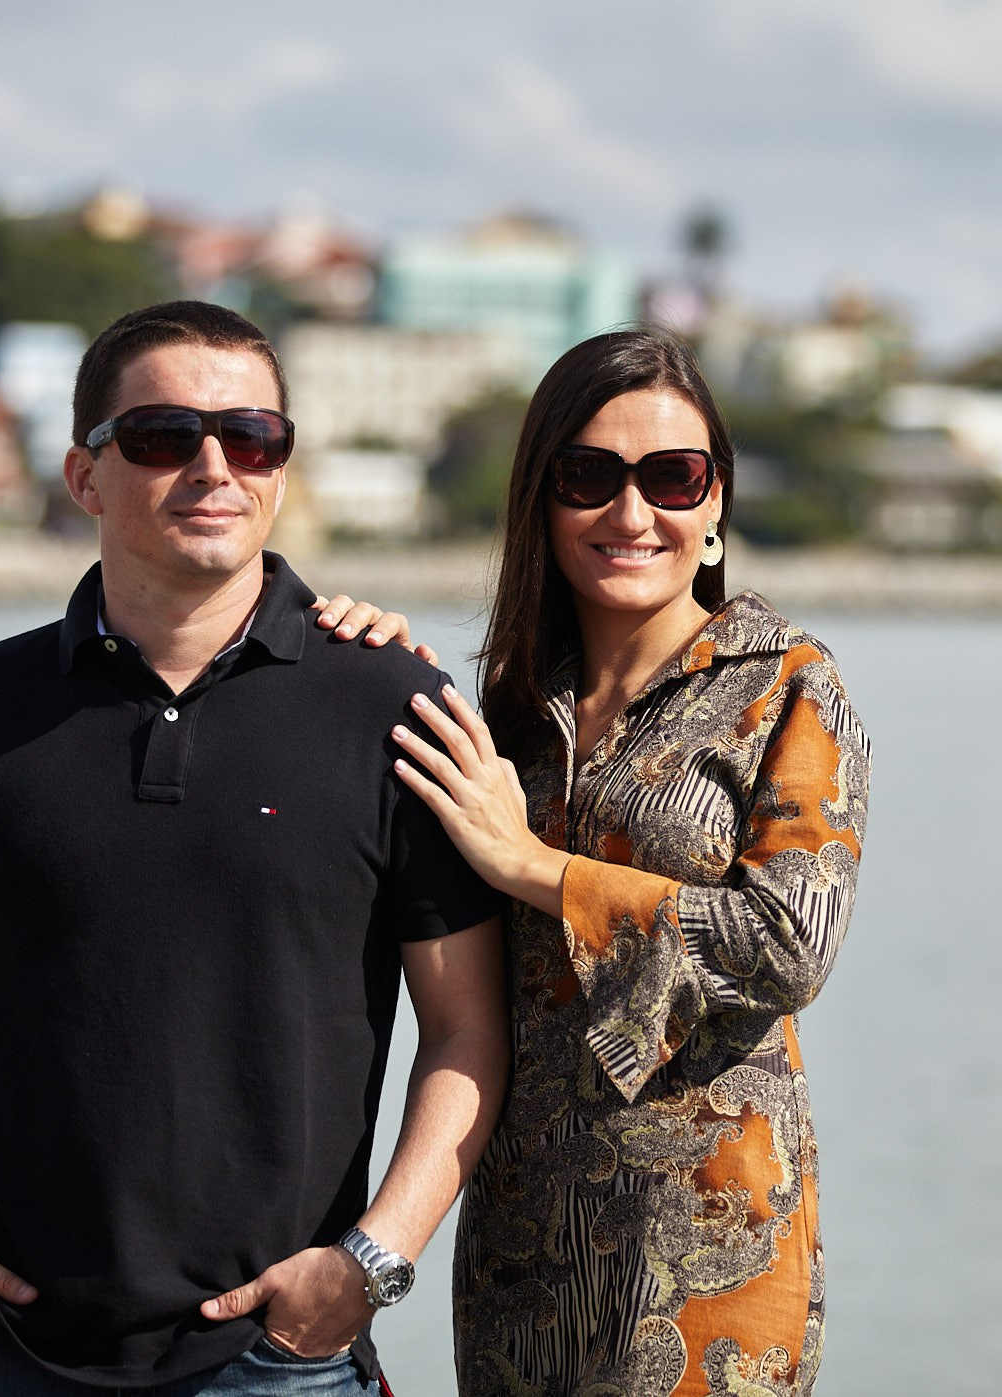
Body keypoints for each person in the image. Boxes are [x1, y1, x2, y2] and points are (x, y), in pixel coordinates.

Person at [0, 300, 508, 1395]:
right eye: (160, 436)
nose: (212, 465)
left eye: (252, 437)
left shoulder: (396, 705)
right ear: (83, 475)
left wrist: (372, 1259)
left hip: (280, 1360)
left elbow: (467, 1026)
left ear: (281, 466)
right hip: (5, 1347)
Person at [321, 328, 870, 1397]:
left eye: (671, 476)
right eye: (589, 476)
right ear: (541, 499)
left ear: (714, 504)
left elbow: (789, 943)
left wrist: (534, 866)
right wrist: (358, 655)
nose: (631, 513)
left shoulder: (787, 685)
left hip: (709, 1247)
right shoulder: (511, 713)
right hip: (522, 1234)